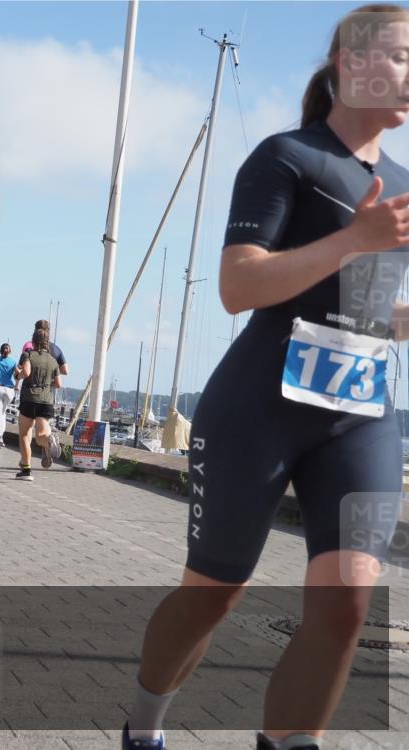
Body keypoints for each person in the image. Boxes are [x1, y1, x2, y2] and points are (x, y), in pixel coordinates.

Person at [124, 7, 409, 749]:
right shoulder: (285, 157)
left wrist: (399, 317)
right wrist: (356, 238)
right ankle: (143, 727)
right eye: (405, 56)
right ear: (349, 63)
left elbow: (363, 309)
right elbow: (239, 287)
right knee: (213, 596)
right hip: (260, 403)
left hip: (361, 409)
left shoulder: (403, 182)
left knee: (347, 603)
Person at [14, 328, 62, 480]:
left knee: (24, 435)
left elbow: (26, 372)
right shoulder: (53, 360)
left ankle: (26, 471)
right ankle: (49, 441)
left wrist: (18, 375)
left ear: (33, 342)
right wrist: (46, 386)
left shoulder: (27, 355)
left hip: (29, 399)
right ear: (47, 343)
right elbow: (58, 383)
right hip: (46, 401)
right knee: (41, 435)